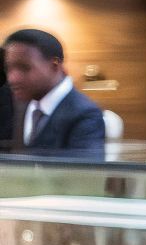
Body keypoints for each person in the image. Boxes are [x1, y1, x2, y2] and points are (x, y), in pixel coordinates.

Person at [2, 29, 105, 157]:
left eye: (24, 68)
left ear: (54, 65)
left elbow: (86, 174)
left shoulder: (86, 114)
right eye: (9, 68)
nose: (12, 78)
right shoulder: (19, 102)